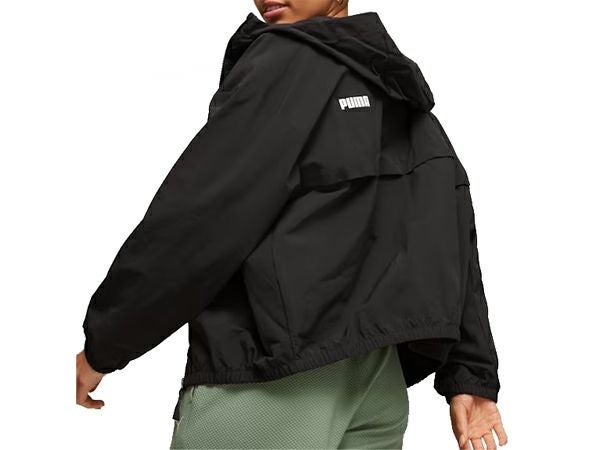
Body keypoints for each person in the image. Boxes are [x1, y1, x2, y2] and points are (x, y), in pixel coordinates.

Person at [76, 1, 509, 449]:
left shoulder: (284, 63)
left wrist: (105, 342)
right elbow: (450, 222)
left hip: (271, 384)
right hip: (377, 387)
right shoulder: (394, 83)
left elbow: (199, 217)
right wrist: (470, 373)